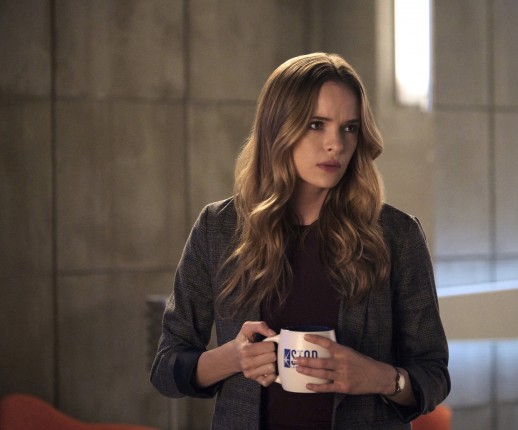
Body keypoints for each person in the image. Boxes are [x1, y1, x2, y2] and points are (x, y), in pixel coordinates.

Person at [150, 52, 450, 429]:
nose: (335, 144)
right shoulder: (218, 228)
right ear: (278, 128)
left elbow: (434, 374)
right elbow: (166, 368)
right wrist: (232, 359)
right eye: (315, 124)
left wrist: (379, 378)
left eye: (349, 128)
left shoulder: (396, 235)